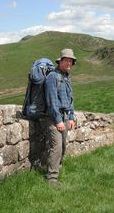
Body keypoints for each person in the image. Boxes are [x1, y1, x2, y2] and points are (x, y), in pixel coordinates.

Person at [44, 48, 76, 186]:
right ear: (60, 61)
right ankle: (52, 178)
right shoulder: (53, 76)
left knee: (63, 146)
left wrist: (71, 116)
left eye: (71, 61)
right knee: (56, 146)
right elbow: (52, 100)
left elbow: (70, 98)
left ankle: (58, 167)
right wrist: (58, 120)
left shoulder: (66, 76)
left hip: (65, 117)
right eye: (67, 60)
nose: (69, 63)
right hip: (53, 117)